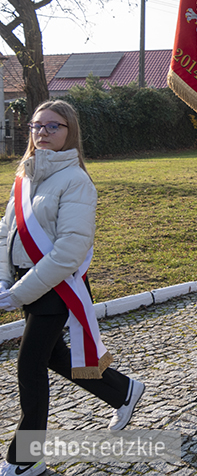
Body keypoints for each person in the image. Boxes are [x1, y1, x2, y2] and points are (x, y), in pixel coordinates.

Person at [0, 101, 145, 476]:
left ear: (70, 132)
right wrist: (5, 279)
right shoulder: (25, 175)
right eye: (36, 126)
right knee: (52, 356)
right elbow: (6, 233)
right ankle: (122, 391)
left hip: (56, 287)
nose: (43, 132)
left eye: (54, 126)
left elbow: (69, 251)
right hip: (28, 283)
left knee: (30, 364)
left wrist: (17, 294)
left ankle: (26, 458)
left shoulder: (76, 181)